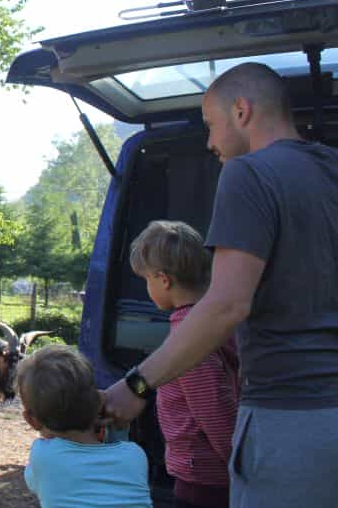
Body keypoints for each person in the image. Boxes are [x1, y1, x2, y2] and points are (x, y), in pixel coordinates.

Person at [101, 62, 338, 507]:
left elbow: (227, 304)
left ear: (242, 111)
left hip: (288, 422)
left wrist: (135, 387)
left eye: (211, 125)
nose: (210, 142)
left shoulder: (248, 173)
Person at [130, 220, 240, 508]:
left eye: (147, 280)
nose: (148, 288)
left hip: (203, 481)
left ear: (164, 280)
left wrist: (240, 468)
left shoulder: (190, 337)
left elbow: (215, 412)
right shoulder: (212, 322)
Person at [18, 344, 152, 508]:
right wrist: (117, 425)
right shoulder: (135, 456)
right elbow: (117, 447)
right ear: (98, 401)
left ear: (31, 420)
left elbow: (33, 483)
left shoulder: (42, 456)